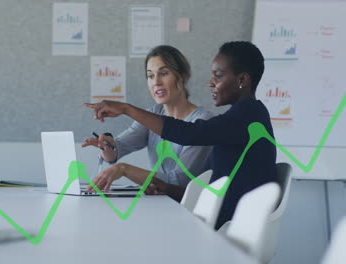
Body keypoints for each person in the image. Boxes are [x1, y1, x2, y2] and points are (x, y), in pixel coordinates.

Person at [84, 41, 277, 230]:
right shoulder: (242, 115)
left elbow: (189, 133)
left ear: (242, 80)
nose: (211, 82)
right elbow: (204, 188)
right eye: (150, 76)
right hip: (218, 219)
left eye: (218, 76)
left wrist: (126, 109)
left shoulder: (247, 115)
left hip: (229, 226)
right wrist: (166, 189)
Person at [82, 45, 214, 202]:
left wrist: (124, 169)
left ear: (183, 77)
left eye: (164, 73)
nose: (156, 82)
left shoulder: (203, 121)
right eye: (150, 76)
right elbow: (117, 151)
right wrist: (106, 146)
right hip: (160, 204)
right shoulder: (153, 114)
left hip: (187, 211)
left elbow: (178, 181)